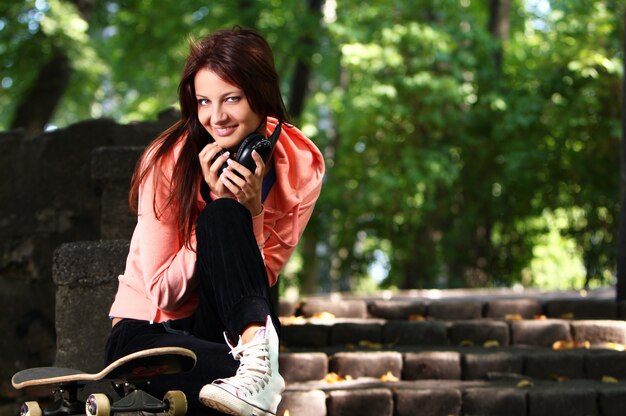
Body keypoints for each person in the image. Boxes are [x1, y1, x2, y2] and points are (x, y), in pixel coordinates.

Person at [104, 27, 325, 416]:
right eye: (204, 101)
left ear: (261, 95)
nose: (216, 117)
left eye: (232, 99)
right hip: (149, 333)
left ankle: (257, 365)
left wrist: (251, 212)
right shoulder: (167, 160)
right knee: (233, 381)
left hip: (226, 330)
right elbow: (165, 295)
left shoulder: (300, 165)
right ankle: (258, 370)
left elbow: (259, 282)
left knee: (227, 215)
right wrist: (213, 205)